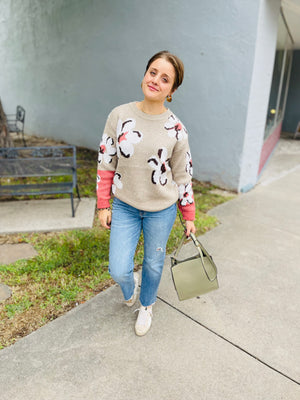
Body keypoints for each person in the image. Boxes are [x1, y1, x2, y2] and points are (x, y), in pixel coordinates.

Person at [97, 50, 196, 336]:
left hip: (161, 210)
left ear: (172, 90)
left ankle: (147, 305)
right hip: (125, 205)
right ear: (145, 74)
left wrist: (188, 215)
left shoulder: (177, 130)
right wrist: (104, 204)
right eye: (153, 72)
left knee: (153, 264)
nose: (155, 80)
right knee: (118, 269)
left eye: (165, 79)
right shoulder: (119, 115)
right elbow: (106, 162)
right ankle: (130, 287)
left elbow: (182, 176)